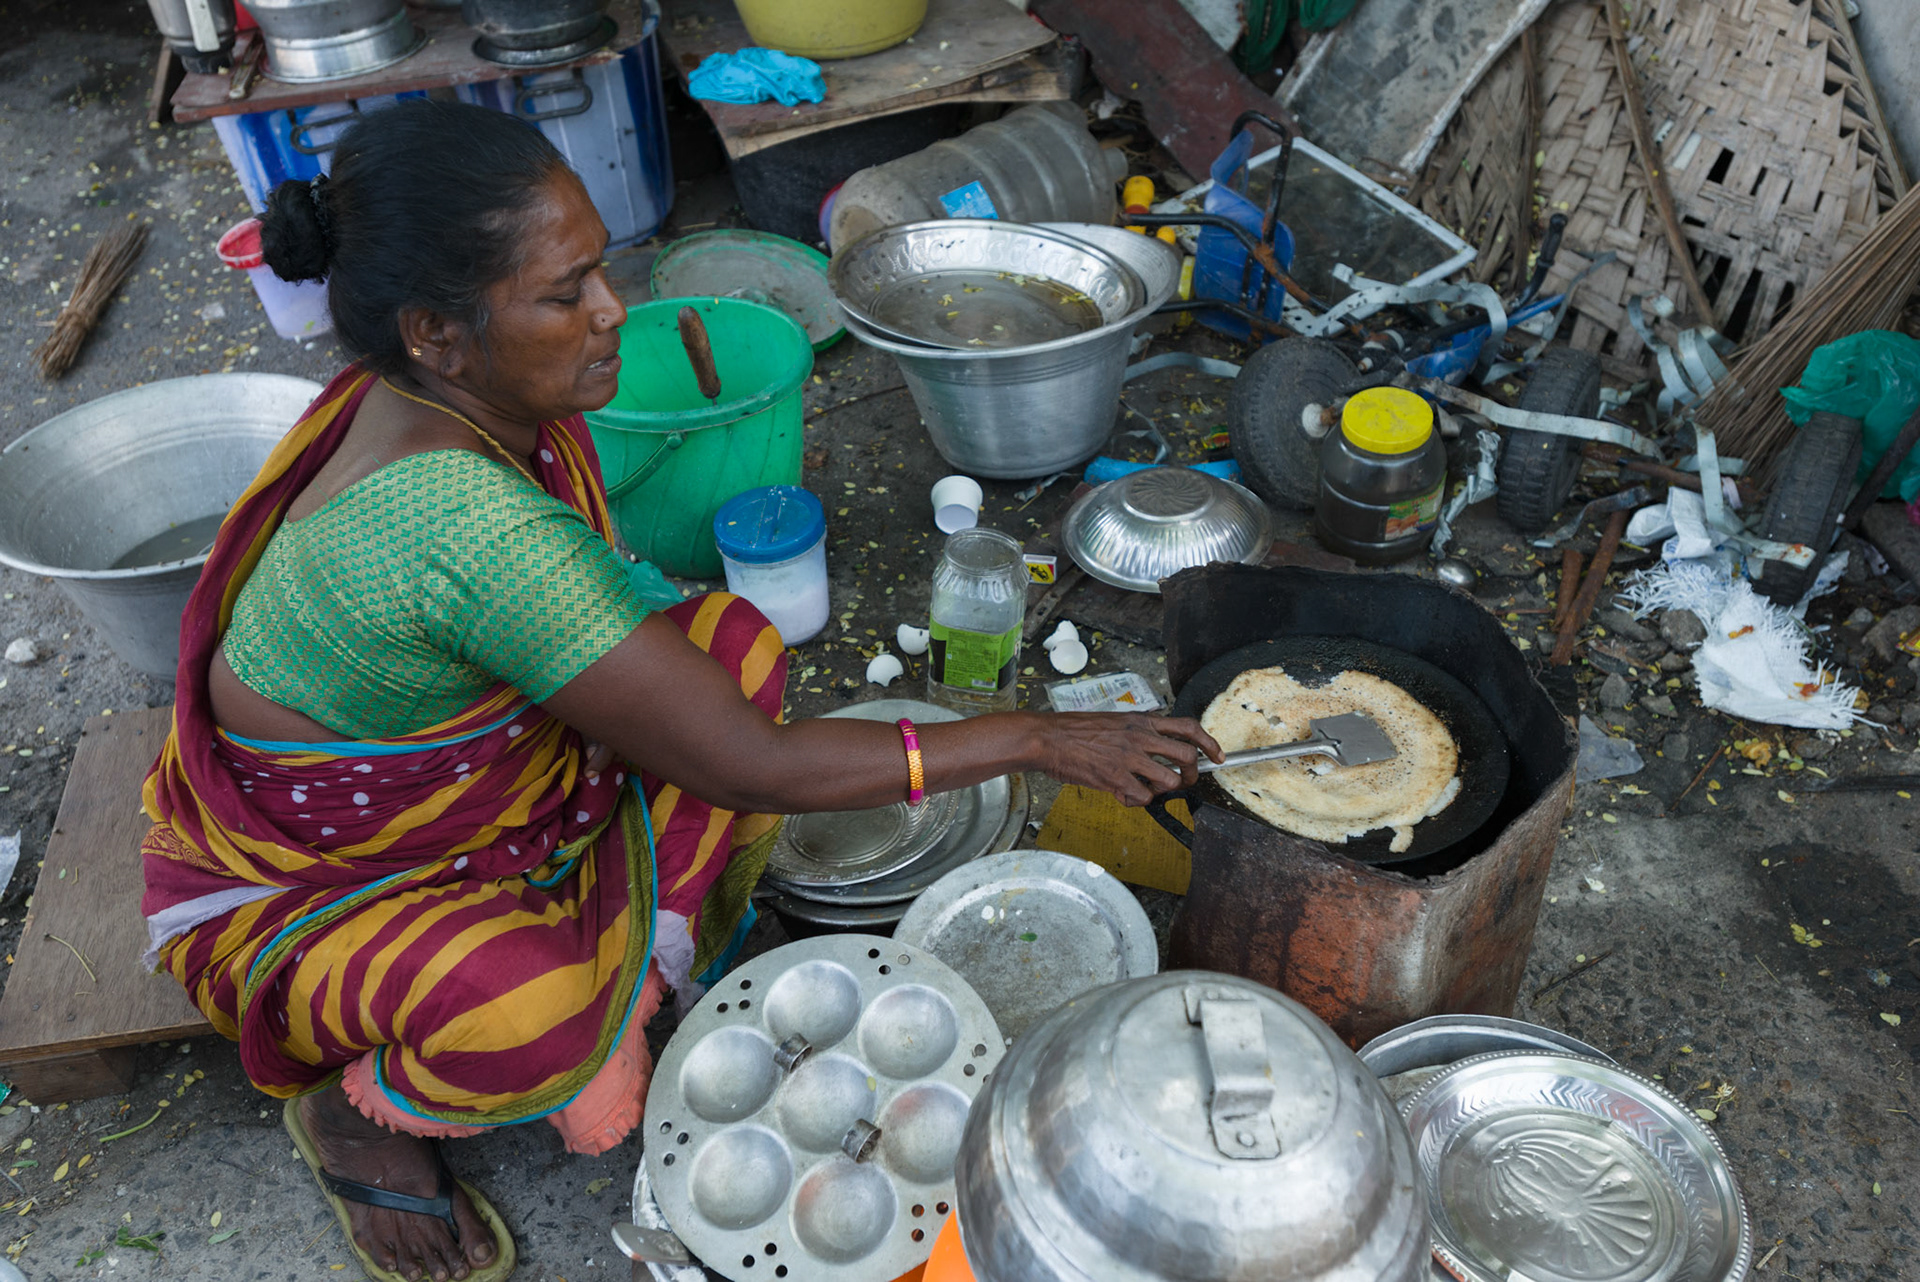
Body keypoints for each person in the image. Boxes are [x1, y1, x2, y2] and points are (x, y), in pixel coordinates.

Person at [140, 99, 1218, 1282]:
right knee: (535, 1008)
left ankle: (636, 952)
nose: (613, 314)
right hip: (327, 880)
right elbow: (748, 769)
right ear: (436, 331)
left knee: (736, 649)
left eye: (602, 270)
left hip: (484, 791)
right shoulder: (455, 520)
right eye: (567, 295)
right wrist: (1036, 740)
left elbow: (662, 660)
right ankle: (368, 1110)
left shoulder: (423, 396)